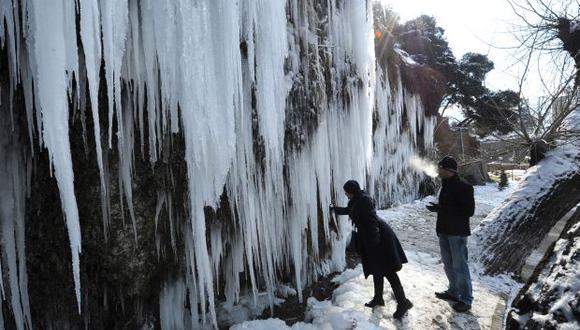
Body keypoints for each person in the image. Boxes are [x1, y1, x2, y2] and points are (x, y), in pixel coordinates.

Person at [331, 180, 413, 319]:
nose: (345, 194)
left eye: (346, 191)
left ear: (352, 191)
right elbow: (349, 211)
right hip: (371, 237)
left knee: (389, 271)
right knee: (377, 269)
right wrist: (335, 209)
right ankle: (378, 298)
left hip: (379, 238)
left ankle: (403, 302)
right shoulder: (356, 199)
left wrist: (374, 243)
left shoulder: (364, 201)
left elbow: (371, 221)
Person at [426, 156, 475, 312]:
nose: (438, 170)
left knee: (460, 266)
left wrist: (442, 209)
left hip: (457, 232)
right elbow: (448, 206)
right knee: (448, 264)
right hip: (444, 230)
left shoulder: (464, 187)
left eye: (441, 168)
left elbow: (469, 211)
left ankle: (466, 299)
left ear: (449, 170)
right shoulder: (445, 185)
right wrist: (438, 207)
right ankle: (454, 292)